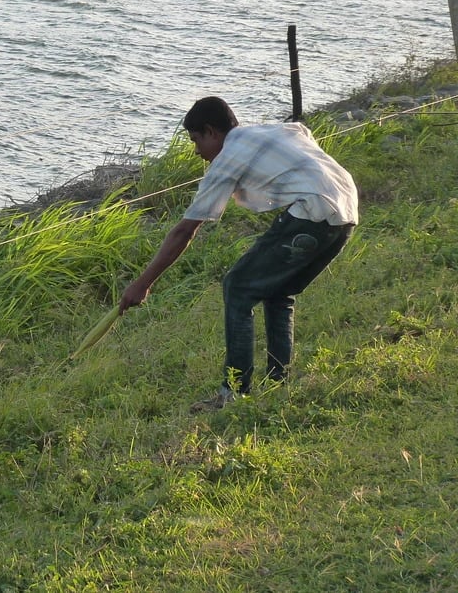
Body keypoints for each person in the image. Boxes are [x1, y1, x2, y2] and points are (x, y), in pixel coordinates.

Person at [118, 96, 358, 412]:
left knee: (237, 287)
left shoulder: (228, 156)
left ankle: (232, 394)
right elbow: (301, 132)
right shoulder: (271, 131)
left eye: (196, 140)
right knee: (279, 292)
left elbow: (184, 231)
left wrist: (143, 283)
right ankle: (278, 384)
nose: (196, 152)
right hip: (347, 212)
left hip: (312, 213)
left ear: (210, 132)